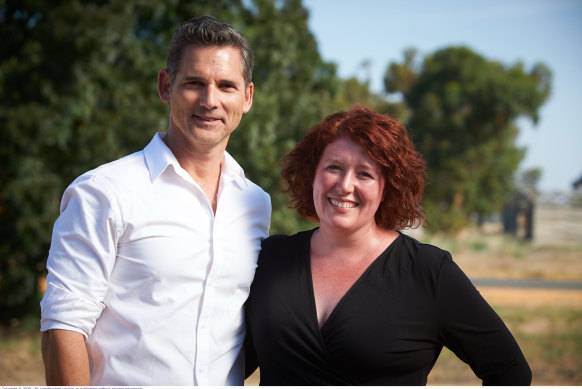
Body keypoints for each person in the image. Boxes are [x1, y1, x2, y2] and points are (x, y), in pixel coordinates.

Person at [40, 16, 271, 386]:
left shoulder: (256, 204)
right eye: (194, 83)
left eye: (226, 86)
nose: (210, 101)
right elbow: (62, 329)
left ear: (246, 98)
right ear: (166, 86)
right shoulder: (103, 192)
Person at [244, 106, 531, 385]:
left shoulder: (428, 272)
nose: (344, 185)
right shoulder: (271, 258)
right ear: (313, 175)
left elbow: (510, 371)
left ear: (387, 188)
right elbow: (230, 362)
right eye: (334, 167)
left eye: (364, 174)